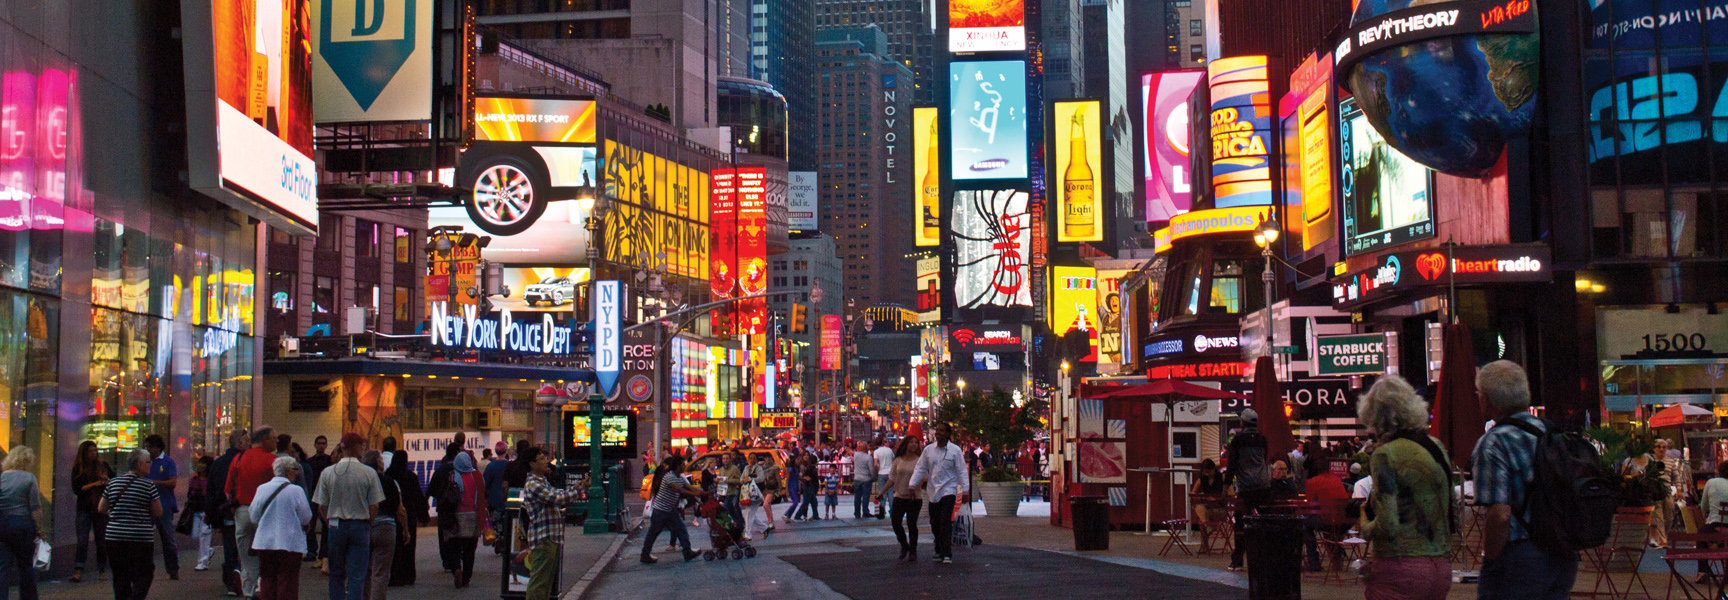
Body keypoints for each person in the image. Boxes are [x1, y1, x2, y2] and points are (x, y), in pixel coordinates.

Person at [1473, 360, 1576, 600]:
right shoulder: (1551, 433)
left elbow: (1500, 515)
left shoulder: (1494, 442)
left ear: (1486, 399)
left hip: (1520, 555)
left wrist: (1490, 561)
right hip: (1563, 552)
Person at [1356, 375, 1453, 599]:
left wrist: (1363, 522)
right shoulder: (1435, 446)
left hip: (1399, 569)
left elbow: (1388, 525)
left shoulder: (1385, 455)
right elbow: (1452, 513)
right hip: (1440, 568)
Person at [314, 433, 385, 600]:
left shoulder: (327, 473)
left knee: (336, 573)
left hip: (336, 525)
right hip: (360, 525)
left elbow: (321, 505)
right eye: (362, 446)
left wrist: (329, 520)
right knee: (357, 575)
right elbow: (374, 505)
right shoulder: (368, 473)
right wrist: (368, 521)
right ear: (357, 447)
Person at [227, 426, 281, 599]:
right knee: (266, 553)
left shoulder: (239, 458)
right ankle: (261, 585)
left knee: (245, 556)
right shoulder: (273, 461)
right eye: (274, 438)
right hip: (265, 512)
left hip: (242, 510)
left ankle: (248, 590)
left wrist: (234, 508)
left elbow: (228, 489)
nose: (276, 441)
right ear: (265, 439)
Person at [519, 447, 580, 600]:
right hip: (544, 538)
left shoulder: (542, 481)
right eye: (541, 459)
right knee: (539, 582)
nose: (545, 461)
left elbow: (557, 493)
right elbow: (557, 498)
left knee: (545, 582)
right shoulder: (533, 484)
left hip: (549, 537)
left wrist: (575, 488)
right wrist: (578, 492)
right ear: (532, 464)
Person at [102, 449, 164, 600]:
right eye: (148, 462)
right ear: (139, 464)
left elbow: (101, 507)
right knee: (144, 573)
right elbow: (158, 512)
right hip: (140, 538)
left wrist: (117, 515)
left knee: (120, 574)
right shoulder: (148, 486)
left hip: (114, 537)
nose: (150, 465)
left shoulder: (114, 483)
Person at [251, 456, 313, 600]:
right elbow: (306, 516)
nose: (297, 473)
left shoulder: (262, 488)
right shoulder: (296, 491)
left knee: (267, 579)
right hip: (290, 543)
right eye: (295, 469)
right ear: (287, 471)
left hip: (265, 542)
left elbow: (254, 516)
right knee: (288, 582)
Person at [909, 422, 970, 564]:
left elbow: (961, 470)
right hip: (933, 491)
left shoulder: (955, 451)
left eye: (942, 431)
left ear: (948, 434)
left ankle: (947, 552)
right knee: (934, 522)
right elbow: (920, 468)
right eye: (937, 431)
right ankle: (938, 548)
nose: (938, 433)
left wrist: (965, 490)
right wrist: (912, 484)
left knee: (945, 521)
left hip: (949, 490)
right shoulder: (929, 450)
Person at [1225, 409, 1271, 571]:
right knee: (1263, 523)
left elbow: (1231, 465)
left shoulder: (1238, 440)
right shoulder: (1262, 439)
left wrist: (1227, 484)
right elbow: (1264, 460)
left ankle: (1238, 560)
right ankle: (1264, 558)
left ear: (1242, 423)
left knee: (1241, 526)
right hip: (1264, 487)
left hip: (1246, 489)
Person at [640, 455, 704, 564]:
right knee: (655, 532)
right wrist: (695, 493)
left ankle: (687, 551)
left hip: (668, 509)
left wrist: (699, 493)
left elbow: (685, 487)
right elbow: (680, 490)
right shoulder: (669, 476)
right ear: (677, 466)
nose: (684, 466)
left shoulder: (676, 476)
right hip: (662, 509)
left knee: (680, 528)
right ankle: (645, 555)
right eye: (683, 464)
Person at [207, 430, 247, 596]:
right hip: (243, 508)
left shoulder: (219, 463)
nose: (250, 444)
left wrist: (212, 515)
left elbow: (211, 490)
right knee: (245, 544)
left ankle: (231, 579)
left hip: (224, 512)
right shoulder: (244, 461)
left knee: (230, 545)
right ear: (240, 443)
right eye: (247, 440)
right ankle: (242, 576)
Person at [0, 446, 41, 600]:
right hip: (23, 525)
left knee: (2, 567)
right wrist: (39, 528)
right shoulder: (29, 478)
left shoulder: (2, 477)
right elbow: (35, 507)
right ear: (27, 461)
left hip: (3, 525)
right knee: (26, 566)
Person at [444, 452, 490, 588]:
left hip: (457, 517)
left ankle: (456, 568)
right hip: (474, 516)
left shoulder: (453, 476)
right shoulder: (477, 476)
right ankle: (466, 578)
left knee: (453, 546)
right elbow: (483, 494)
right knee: (470, 550)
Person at [362, 451, 404, 600]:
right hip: (386, 526)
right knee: (381, 572)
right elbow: (400, 509)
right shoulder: (391, 482)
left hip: (365, 526)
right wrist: (405, 530)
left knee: (364, 570)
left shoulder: (362, 482)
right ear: (380, 463)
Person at [72, 440, 113, 583]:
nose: (94, 453)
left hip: (100, 507)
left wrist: (107, 481)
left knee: (101, 540)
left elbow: (114, 481)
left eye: (95, 450)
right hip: (85, 507)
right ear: (84, 453)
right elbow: (77, 489)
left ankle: (102, 569)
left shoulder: (103, 466)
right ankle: (79, 569)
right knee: (82, 540)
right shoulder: (78, 468)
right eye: (91, 451)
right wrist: (95, 484)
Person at [385, 448, 426, 587]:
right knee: (409, 546)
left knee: (395, 547)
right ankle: (408, 575)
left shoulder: (388, 476)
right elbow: (419, 498)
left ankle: (395, 575)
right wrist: (423, 515)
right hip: (409, 516)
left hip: (392, 515)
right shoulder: (411, 477)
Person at [143, 434, 181, 580]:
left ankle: (173, 568)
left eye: (150, 447)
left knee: (167, 538)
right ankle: (145, 568)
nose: (148, 449)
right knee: (145, 537)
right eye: (146, 447)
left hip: (164, 504)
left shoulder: (167, 462)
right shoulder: (146, 461)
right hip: (147, 505)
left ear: (158, 447)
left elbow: (172, 482)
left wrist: (155, 483)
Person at [883, 436, 924, 561]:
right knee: (895, 522)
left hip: (914, 497)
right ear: (905, 445)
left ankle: (913, 550)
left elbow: (923, 477)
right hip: (899, 495)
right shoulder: (898, 460)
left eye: (915, 443)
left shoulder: (919, 461)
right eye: (911, 442)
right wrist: (882, 492)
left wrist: (916, 488)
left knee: (912, 524)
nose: (913, 445)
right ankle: (904, 544)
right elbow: (892, 478)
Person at [305, 435, 332, 569]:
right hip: (313, 495)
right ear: (315, 445)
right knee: (311, 523)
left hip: (324, 496)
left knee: (324, 526)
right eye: (319, 443)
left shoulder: (329, 461)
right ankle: (312, 550)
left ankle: (321, 554)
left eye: (323, 443)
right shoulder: (310, 461)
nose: (321, 446)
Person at [187, 456, 216, 571]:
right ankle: (208, 551)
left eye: (203, 463)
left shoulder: (211, 479)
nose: (201, 465)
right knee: (196, 535)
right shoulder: (194, 479)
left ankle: (203, 562)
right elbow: (190, 493)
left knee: (204, 534)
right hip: (196, 509)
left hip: (206, 510)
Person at [851, 442, 876, 519]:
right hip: (866, 479)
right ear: (866, 448)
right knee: (865, 496)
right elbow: (871, 469)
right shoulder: (868, 458)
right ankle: (865, 511)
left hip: (857, 478)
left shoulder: (856, 455)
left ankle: (857, 513)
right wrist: (873, 477)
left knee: (857, 497)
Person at [872, 438, 894, 519]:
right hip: (890, 473)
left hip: (881, 473)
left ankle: (882, 510)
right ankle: (892, 511)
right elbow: (893, 460)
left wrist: (876, 471)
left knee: (882, 492)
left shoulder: (876, 452)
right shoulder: (889, 450)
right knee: (891, 492)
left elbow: (875, 464)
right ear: (882, 442)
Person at [795, 455, 820, 521]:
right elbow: (812, 479)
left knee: (813, 502)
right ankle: (798, 515)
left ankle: (815, 515)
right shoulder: (811, 468)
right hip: (809, 486)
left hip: (808, 486)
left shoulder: (808, 468)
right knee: (808, 502)